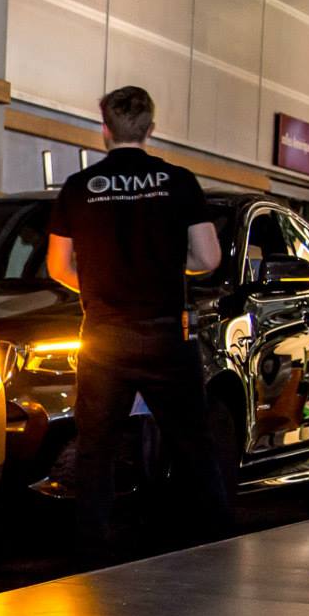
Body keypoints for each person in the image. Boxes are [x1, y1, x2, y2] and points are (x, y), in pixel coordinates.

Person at [46, 85, 230, 560]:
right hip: (167, 334)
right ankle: (214, 543)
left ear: (104, 129)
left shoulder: (79, 187)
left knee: (96, 448)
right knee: (193, 443)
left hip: (104, 335)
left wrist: (98, 287)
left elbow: (58, 266)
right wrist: (168, 268)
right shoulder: (180, 182)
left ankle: (91, 554)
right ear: (151, 128)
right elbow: (208, 258)